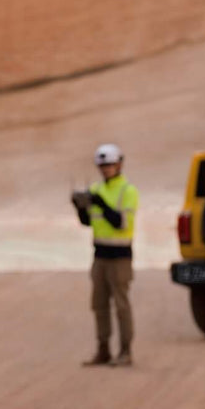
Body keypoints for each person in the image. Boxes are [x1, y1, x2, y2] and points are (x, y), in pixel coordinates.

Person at [72, 142, 140, 367]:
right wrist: (80, 208)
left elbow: (120, 223)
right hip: (100, 256)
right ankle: (103, 350)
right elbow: (89, 222)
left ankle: (126, 351)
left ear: (119, 164)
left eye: (110, 165)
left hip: (120, 257)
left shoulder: (128, 191)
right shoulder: (95, 190)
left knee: (121, 305)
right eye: (102, 166)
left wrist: (100, 203)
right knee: (99, 304)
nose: (106, 169)